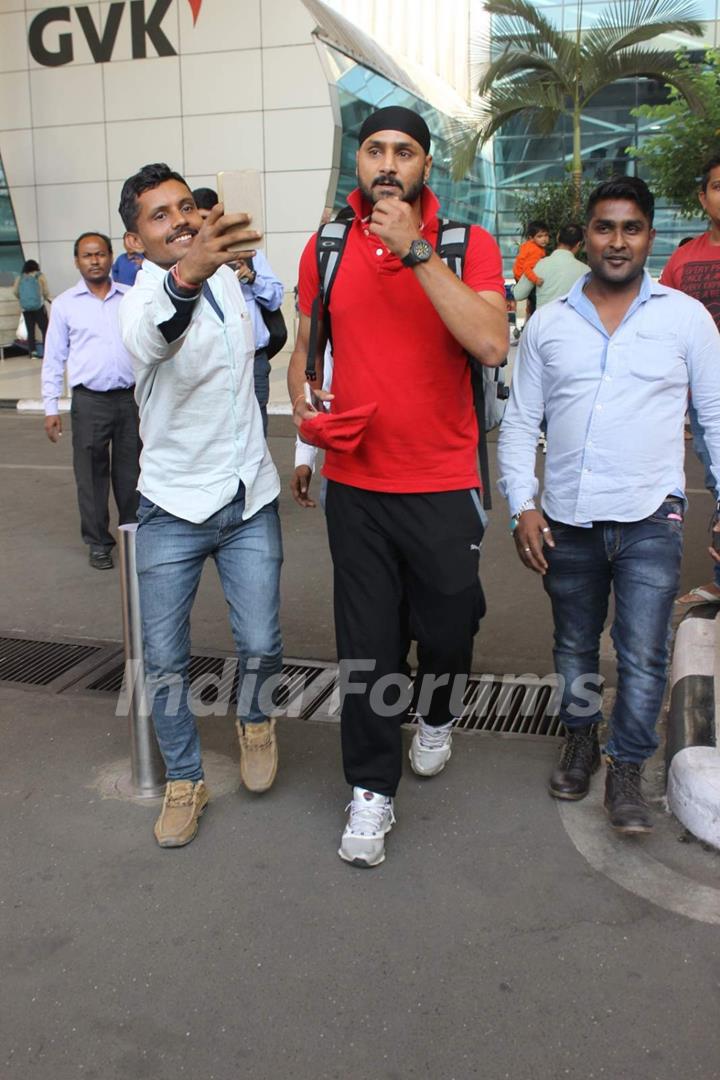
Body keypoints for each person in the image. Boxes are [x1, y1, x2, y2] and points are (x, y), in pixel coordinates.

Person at [288, 106, 508, 868]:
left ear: (424, 168)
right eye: (375, 149)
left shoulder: (464, 244)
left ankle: (439, 710)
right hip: (357, 483)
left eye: (404, 152)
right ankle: (371, 791)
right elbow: (310, 345)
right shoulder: (327, 244)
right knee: (368, 648)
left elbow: (488, 340)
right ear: (358, 162)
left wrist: (414, 249)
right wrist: (301, 405)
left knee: (449, 629)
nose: (388, 162)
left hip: (445, 482)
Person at [498, 176, 720, 836]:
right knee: (573, 647)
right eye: (604, 227)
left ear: (649, 235)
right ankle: (580, 738)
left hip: (652, 515)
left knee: (645, 652)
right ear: (586, 235)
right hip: (567, 519)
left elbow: (712, 416)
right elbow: (519, 424)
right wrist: (523, 507)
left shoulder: (684, 319)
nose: (616, 241)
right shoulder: (548, 324)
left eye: (630, 228)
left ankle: (625, 767)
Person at [118, 163, 283, 850]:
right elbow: (156, 335)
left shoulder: (228, 277)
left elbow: (265, 347)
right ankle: (185, 780)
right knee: (161, 662)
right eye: (160, 215)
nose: (180, 219)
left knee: (262, 644)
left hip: (248, 496)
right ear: (135, 242)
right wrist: (189, 273)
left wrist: (250, 279)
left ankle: (254, 719)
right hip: (171, 508)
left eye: (185, 206)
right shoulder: (143, 297)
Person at [41, 233, 140, 570]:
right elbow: (54, 358)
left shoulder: (130, 298)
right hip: (89, 403)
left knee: (132, 474)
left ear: (111, 257)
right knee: (91, 477)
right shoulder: (66, 304)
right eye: (87, 255)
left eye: (100, 254)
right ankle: (98, 542)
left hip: (130, 401)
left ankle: (134, 534)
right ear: (77, 262)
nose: (94, 260)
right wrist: (51, 406)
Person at [660, 155, 720, 604]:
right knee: (717, 484)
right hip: (706, 401)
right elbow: (664, 332)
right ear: (703, 197)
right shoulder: (684, 260)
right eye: (717, 187)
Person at [193, 187, 284, 435]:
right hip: (212, 363)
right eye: (199, 220)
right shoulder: (187, 261)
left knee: (256, 433)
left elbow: (276, 299)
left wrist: (251, 278)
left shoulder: (248, 252)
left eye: (209, 219)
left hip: (253, 360)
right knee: (218, 433)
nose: (204, 227)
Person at [513, 224, 585, 308]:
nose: (543, 239)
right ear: (579, 244)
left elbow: (518, 294)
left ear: (558, 237)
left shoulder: (539, 264)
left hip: (543, 319)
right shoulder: (586, 272)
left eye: (545, 235)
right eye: (540, 236)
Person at [14, 259, 50, 358]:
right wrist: (46, 297)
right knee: (45, 328)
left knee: (30, 330)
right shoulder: (39, 276)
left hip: (26, 308)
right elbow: (45, 290)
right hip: (39, 306)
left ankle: (32, 352)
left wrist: (23, 300)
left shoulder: (20, 277)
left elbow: (15, 292)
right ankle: (47, 350)